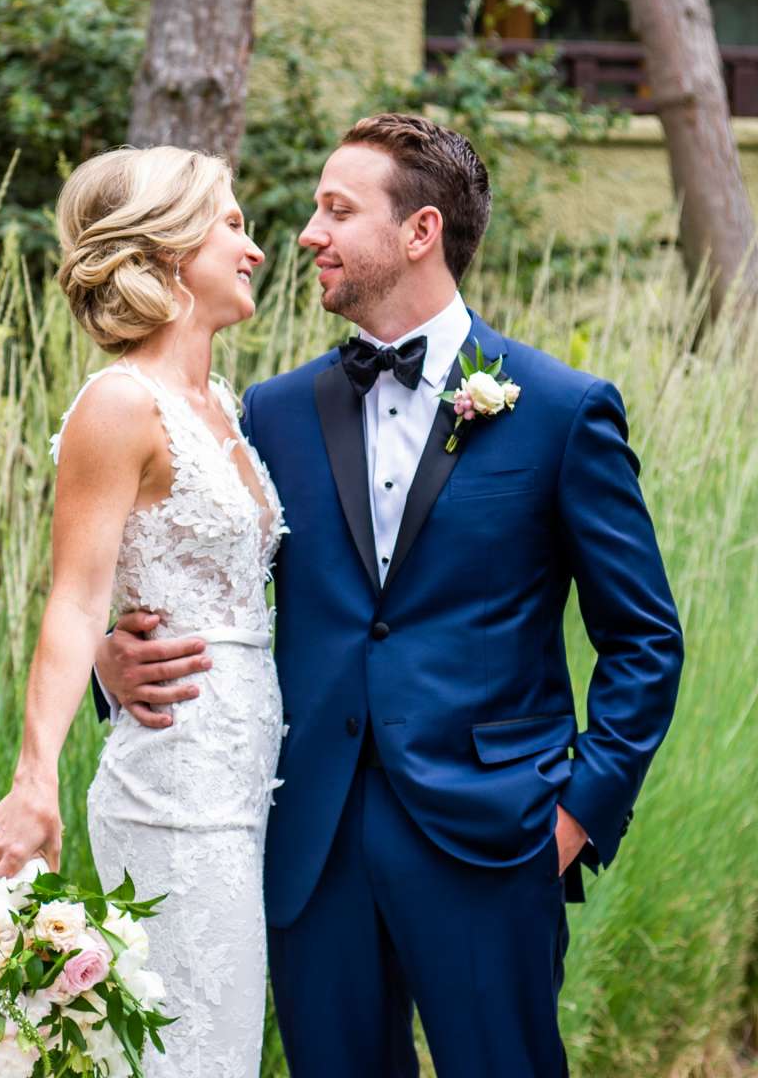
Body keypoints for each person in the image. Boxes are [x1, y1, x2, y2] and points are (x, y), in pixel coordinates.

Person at [95, 113, 685, 1078]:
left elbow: (645, 639)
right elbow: (210, 586)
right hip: (311, 843)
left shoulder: (561, 409)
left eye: (337, 210)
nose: (306, 235)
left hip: (496, 837)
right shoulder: (271, 414)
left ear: (420, 232)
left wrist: (575, 814)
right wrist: (110, 664)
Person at [0, 144, 283, 1078]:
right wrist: (36, 781)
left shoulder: (221, 406)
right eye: (232, 223)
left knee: (220, 1047)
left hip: (246, 790)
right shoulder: (120, 404)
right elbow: (74, 602)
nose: (256, 248)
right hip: (176, 791)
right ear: (167, 247)